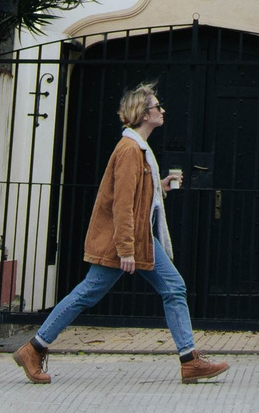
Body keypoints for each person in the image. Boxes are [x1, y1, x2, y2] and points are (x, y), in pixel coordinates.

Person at [15, 83, 229, 385]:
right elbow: (122, 204)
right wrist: (126, 249)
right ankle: (34, 347)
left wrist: (160, 187)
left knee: (171, 288)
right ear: (143, 113)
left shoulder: (137, 148)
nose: (162, 110)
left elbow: (135, 197)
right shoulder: (130, 150)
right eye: (157, 106)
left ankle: (189, 360)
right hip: (126, 240)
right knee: (90, 293)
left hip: (138, 238)